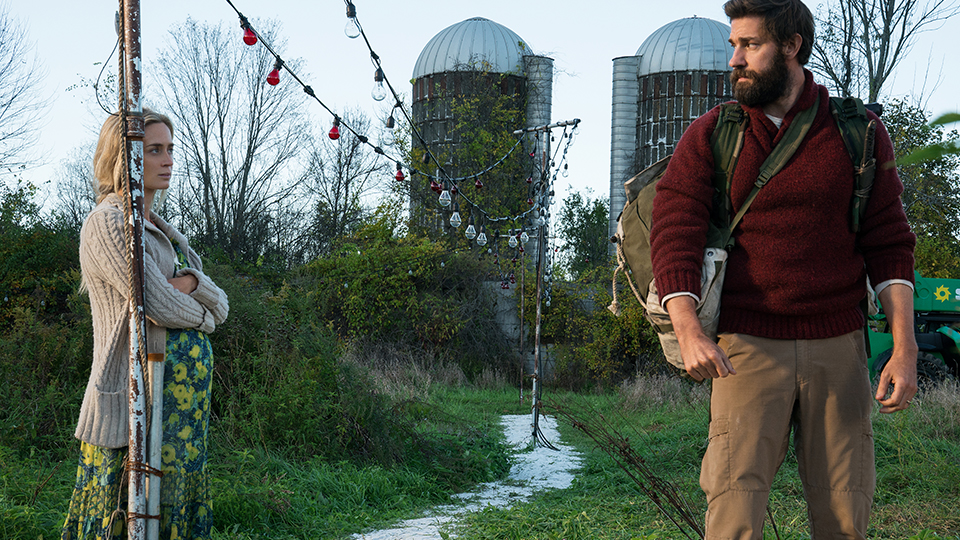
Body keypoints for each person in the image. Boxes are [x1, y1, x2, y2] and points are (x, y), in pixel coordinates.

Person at [649, 0, 918, 538]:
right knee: (733, 519)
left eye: (750, 45)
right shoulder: (711, 135)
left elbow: (888, 241)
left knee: (845, 518)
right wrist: (688, 327)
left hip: (839, 346)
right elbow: (674, 232)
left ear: (791, 46)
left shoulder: (858, 134)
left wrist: (905, 347)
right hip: (744, 349)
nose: (735, 60)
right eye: (733, 45)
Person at [62, 109, 229, 540]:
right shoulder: (109, 222)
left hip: (178, 407)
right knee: (126, 514)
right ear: (124, 159)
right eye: (154, 150)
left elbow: (222, 306)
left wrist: (189, 283)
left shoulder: (170, 234)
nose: (167, 159)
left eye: (170, 149)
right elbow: (158, 304)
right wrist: (199, 307)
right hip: (134, 398)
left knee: (168, 514)